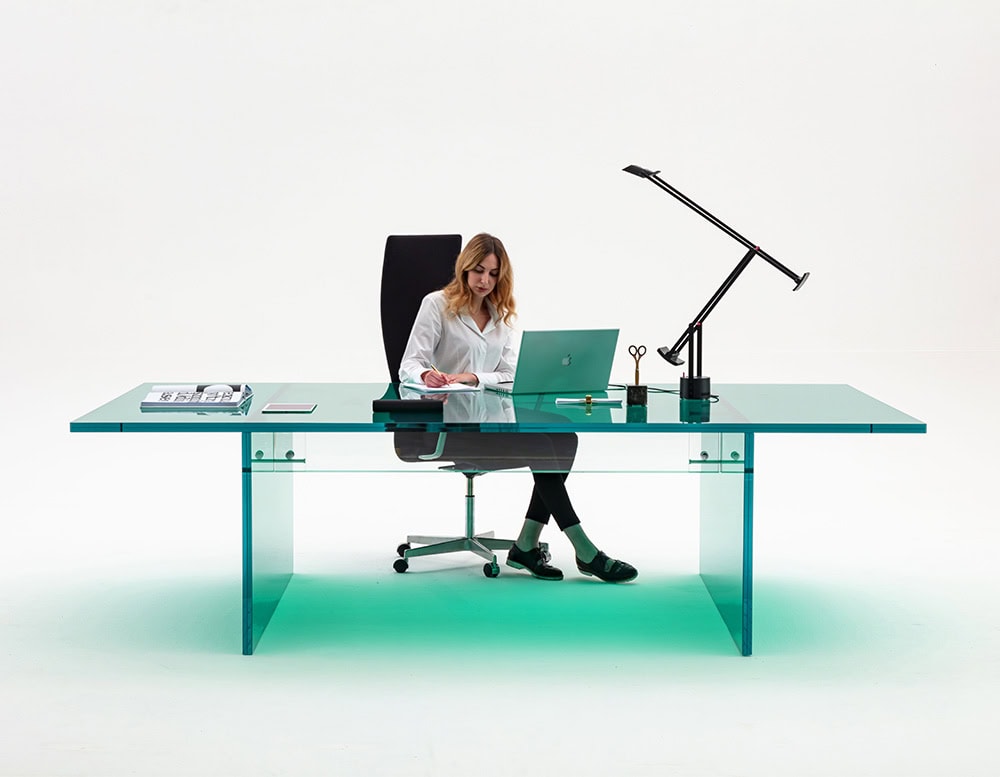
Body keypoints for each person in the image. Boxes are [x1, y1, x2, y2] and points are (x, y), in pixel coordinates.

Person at [398, 232, 637, 583]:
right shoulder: (437, 304)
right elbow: (409, 365)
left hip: (492, 423)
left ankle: (527, 544)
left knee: (565, 438)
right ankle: (584, 550)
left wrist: (469, 377)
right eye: (478, 271)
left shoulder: (501, 313)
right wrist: (426, 375)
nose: (485, 281)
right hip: (447, 429)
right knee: (543, 445)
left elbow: (509, 374)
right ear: (464, 268)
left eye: (493, 274)